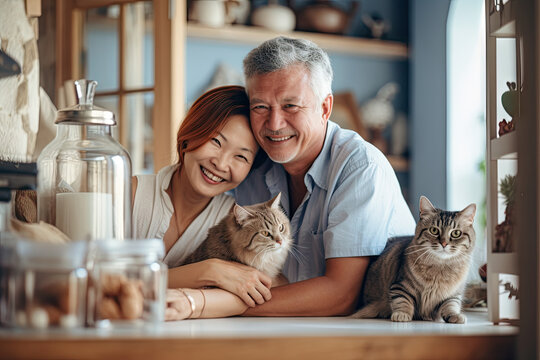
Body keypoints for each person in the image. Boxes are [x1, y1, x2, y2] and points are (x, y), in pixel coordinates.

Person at [228, 36, 417, 316]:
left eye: (290, 106)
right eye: (260, 107)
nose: (274, 124)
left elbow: (340, 296)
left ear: (325, 108)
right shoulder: (250, 167)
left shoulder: (361, 166)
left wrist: (211, 304)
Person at [132, 86, 275, 320]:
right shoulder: (131, 194)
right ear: (190, 133)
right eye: (216, 141)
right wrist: (209, 271)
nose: (220, 163)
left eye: (241, 156)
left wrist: (196, 301)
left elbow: (265, 287)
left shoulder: (235, 222)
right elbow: (96, 281)